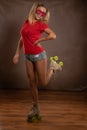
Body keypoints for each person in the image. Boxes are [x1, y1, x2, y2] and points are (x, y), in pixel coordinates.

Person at [13, 2, 62, 121]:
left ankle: (53, 67)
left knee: (43, 82)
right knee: (31, 83)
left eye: (43, 13)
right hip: (28, 56)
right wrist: (17, 53)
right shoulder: (26, 22)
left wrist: (41, 39)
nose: (41, 14)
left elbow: (53, 35)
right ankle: (35, 107)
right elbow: (22, 38)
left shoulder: (41, 25)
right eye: (39, 11)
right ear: (34, 10)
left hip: (39, 55)